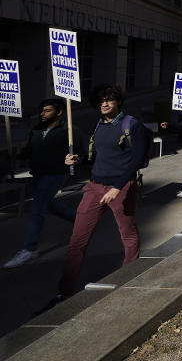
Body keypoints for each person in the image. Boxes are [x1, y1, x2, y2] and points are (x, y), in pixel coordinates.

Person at [57, 85, 147, 300]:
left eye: (109, 100)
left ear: (118, 102)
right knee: (77, 241)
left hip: (122, 187)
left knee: (128, 234)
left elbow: (137, 160)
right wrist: (78, 160)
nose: (104, 104)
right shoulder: (98, 125)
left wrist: (118, 187)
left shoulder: (132, 126)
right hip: (94, 187)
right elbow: (96, 157)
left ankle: (130, 276)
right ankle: (65, 291)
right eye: (100, 101)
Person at [3, 99, 78, 268]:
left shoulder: (67, 130)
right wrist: (16, 156)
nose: (43, 114)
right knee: (49, 204)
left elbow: (80, 151)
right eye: (42, 111)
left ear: (59, 112)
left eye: (47, 111)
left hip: (56, 174)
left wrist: (74, 159)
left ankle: (30, 249)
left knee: (38, 208)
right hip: (38, 174)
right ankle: (81, 221)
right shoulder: (36, 130)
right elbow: (30, 150)